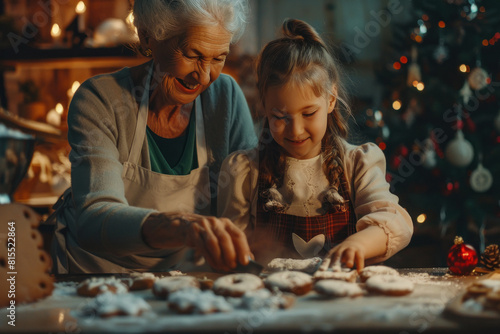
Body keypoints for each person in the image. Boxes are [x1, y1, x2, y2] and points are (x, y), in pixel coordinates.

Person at [51, 0, 258, 274]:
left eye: (219, 57)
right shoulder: (101, 100)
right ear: (149, 36)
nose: (205, 76)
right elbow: (94, 217)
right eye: (193, 54)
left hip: (185, 275)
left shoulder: (226, 97)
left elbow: (253, 198)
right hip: (95, 272)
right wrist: (181, 226)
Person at [217, 19, 413, 271]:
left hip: (340, 302)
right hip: (273, 302)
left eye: (308, 113)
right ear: (263, 105)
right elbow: (233, 249)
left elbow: (393, 222)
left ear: (331, 100)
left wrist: (358, 245)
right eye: (280, 117)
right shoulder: (243, 171)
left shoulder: (358, 164)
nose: (296, 130)